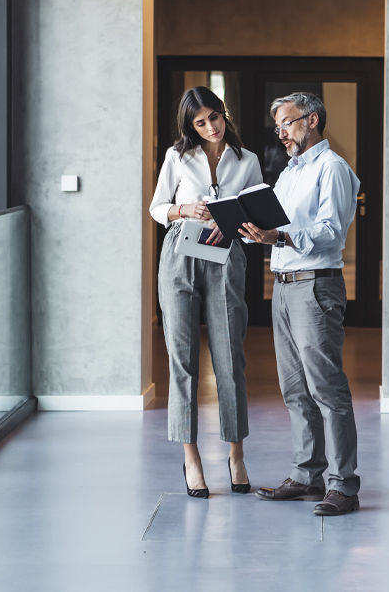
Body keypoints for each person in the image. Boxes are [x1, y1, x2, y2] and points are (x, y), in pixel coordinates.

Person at [240, 91, 361, 517]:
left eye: (288, 123)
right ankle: (307, 475)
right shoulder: (290, 172)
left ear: (311, 120)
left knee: (327, 389)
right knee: (294, 390)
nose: (282, 133)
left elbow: (330, 231)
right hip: (284, 285)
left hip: (315, 287)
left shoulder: (332, 169)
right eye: (278, 126)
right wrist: (252, 229)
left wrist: (281, 236)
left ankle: (343, 485)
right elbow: (280, 226)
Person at [150, 86, 262, 498]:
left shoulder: (246, 160)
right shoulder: (177, 157)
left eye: (215, 117)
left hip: (226, 254)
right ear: (190, 126)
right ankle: (191, 457)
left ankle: (236, 455)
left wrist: (234, 222)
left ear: (223, 114)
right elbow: (157, 206)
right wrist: (184, 209)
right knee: (182, 359)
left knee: (231, 358)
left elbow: (255, 211)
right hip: (180, 251)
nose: (211, 127)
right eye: (201, 122)